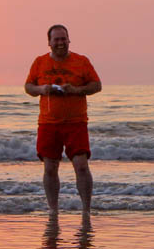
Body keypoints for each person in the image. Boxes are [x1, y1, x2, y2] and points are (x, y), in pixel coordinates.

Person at [25, 25, 102, 214]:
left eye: (63, 39)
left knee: (81, 166)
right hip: (48, 123)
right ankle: (53, 210)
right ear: (49, 43)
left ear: (69, 40)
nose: (60, 43)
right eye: (56, 40)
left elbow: (96, 85)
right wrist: (42, 89)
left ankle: (86, 210)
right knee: (50, 168)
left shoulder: (81, 61)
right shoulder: (39, 62)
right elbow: (28, 86)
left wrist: (76, 90)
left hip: (76, 122)